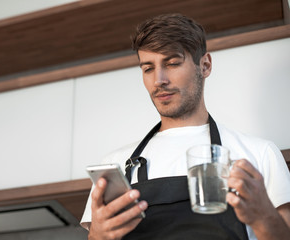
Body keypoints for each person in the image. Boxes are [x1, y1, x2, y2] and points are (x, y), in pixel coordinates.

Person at [80, 13, 290, 240]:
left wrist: (263, 218)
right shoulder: (117, 165)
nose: (159, 79)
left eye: (172, 63)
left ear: (205, 65)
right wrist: (97, 236)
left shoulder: (258, 154)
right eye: (148, 68)